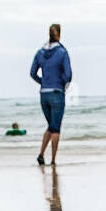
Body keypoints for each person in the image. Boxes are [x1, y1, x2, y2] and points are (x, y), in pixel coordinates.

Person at [30, 23, 72, 166]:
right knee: (56, 128)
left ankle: (41, 154)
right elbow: (68, 75)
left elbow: (32, 73)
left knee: (51, 126)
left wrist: (43, 82)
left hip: (43, 94)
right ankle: (53, 160)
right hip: (56, 92)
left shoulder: (40, 52)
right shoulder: (62, 52)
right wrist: (62, 84)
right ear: (59, 35)